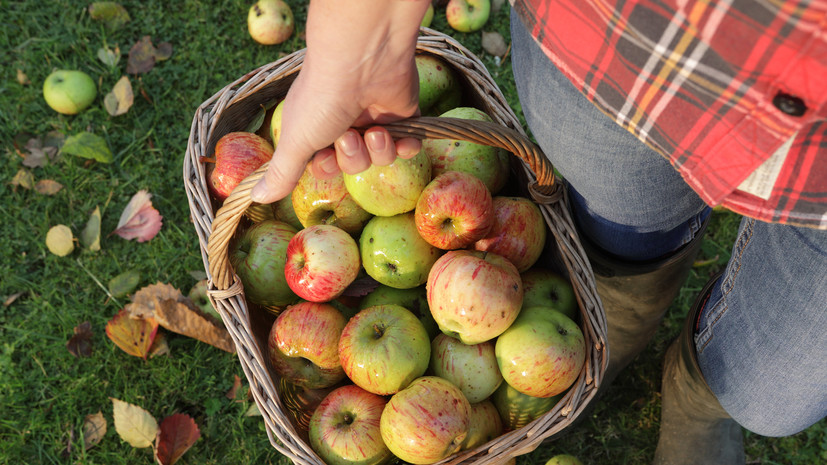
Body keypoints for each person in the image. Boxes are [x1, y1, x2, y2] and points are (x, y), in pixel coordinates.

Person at [250, 1, 827, 463]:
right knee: (623, 224)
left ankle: (699, 398)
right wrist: (361, 40)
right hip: (628, 46)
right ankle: (619, 320)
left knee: (771, 396)